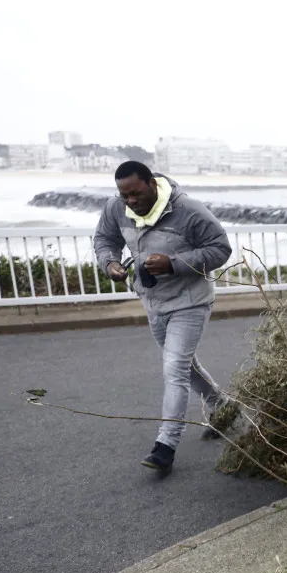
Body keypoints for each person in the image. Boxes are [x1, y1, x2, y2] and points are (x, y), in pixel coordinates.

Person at [94, 161, 233, 471]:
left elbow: (221, 249)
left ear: (152, 184)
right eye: (124, 195)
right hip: (153, 302)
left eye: (135, 193)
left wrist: (174, 263)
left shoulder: (188, 210)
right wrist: (110, 264)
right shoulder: (116, 207)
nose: (130, 201)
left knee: (175, 369)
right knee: (185, 365)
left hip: (191, 302)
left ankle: (165, 445)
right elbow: (105, 240)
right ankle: (223, 407)